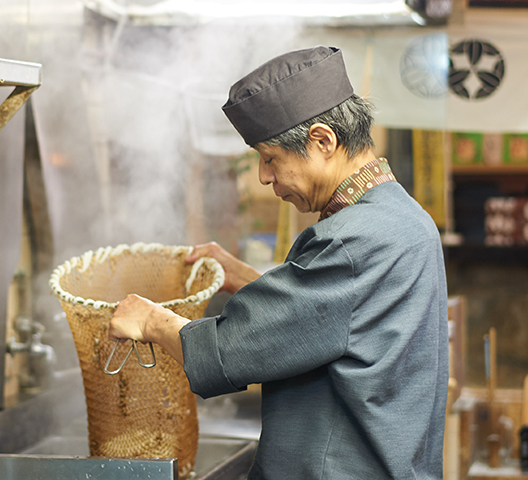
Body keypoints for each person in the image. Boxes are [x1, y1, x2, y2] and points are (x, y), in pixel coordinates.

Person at [108, 46, 448, 479]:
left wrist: (151, 320)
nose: (265, 177)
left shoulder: (354, 239)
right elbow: (337, 316)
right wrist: (245, 278)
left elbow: (230, 351)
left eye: (271, 159)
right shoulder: (403, 217)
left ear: (323, 141)